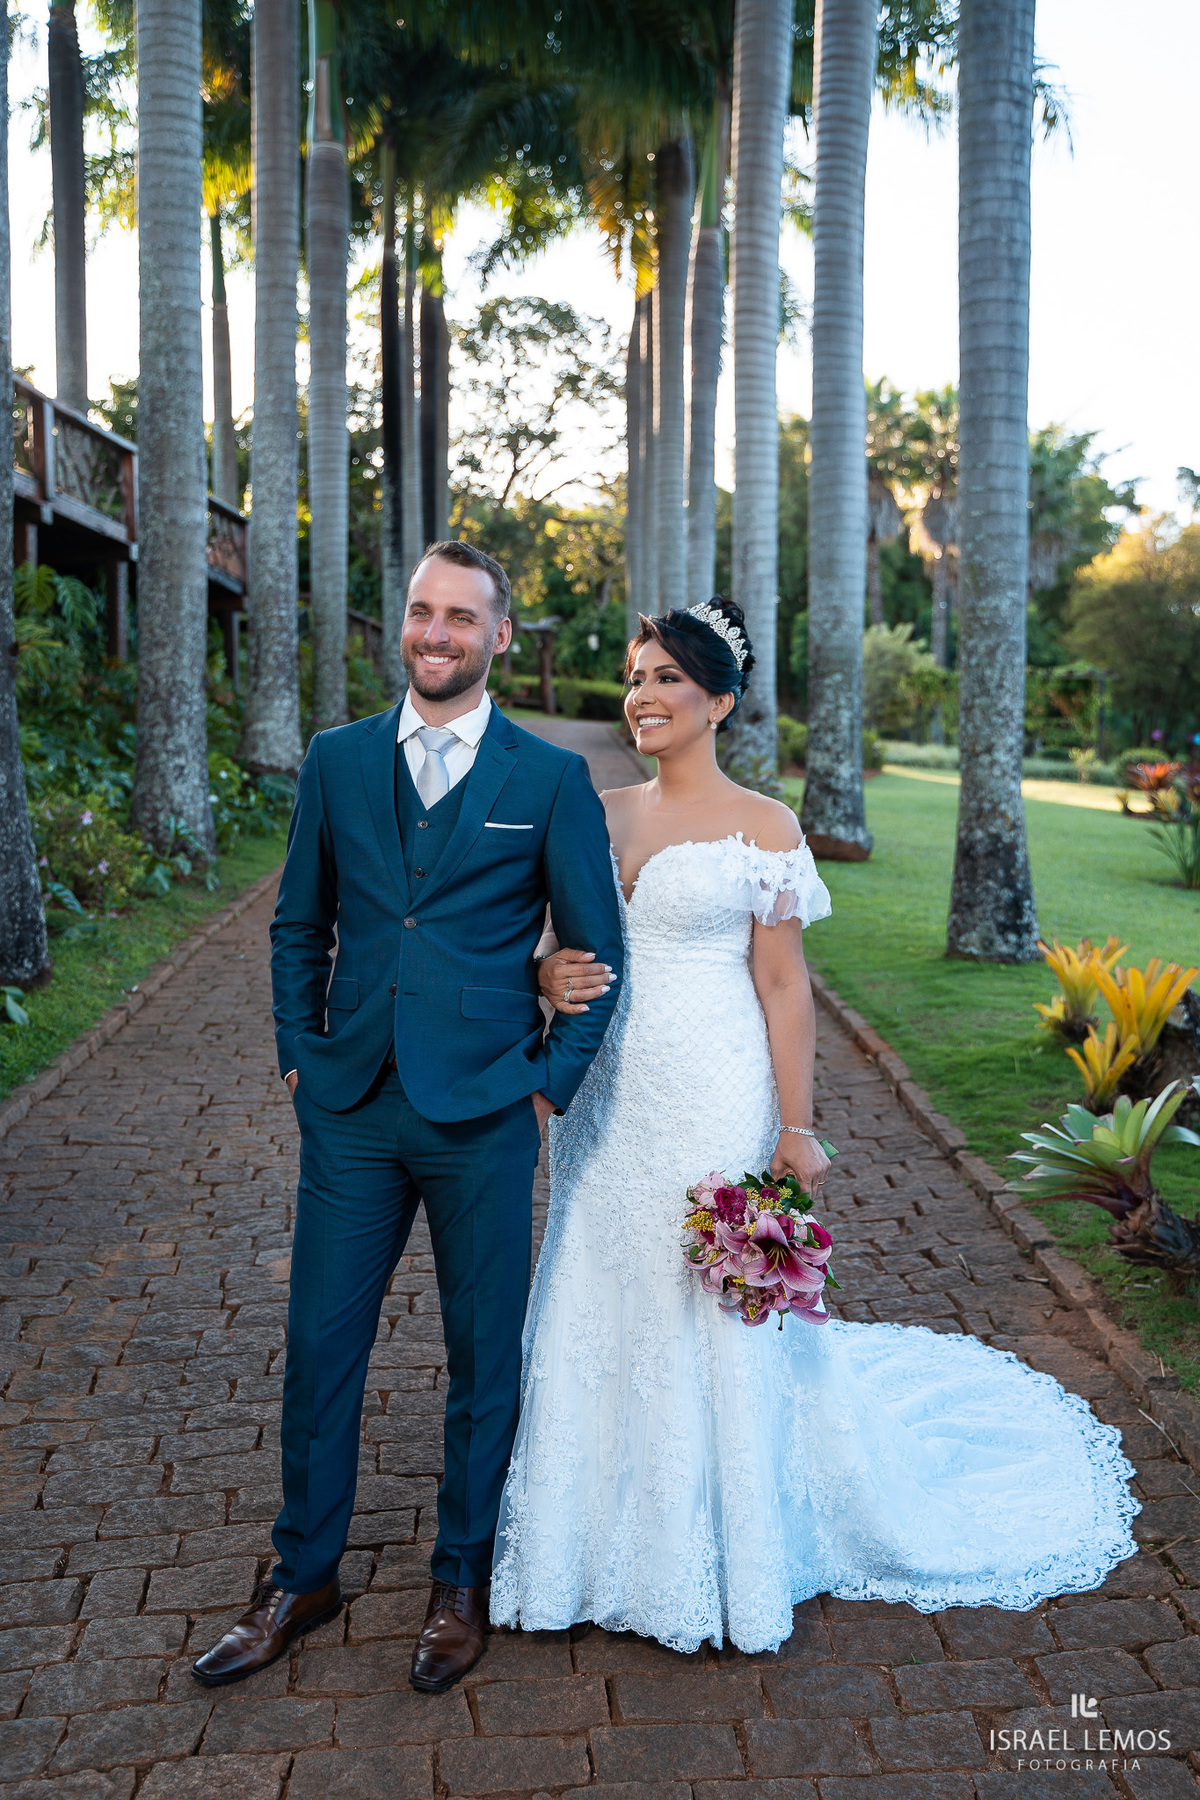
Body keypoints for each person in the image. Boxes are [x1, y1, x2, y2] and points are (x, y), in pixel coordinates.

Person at [491, 596, 1138, 1656]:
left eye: (666, 680)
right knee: (594, 1277)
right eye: (637, 675)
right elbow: (544, 944)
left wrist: (797, 1128)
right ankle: (578, 1541)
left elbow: (784, 985)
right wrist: (538, 972)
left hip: (715, 1083)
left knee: (704, 1293)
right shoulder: (597, 811)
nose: (642, 695)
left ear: (721, 703)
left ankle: (722, 1550)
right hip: (608, 1092)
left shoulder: (765, 828)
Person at [191, 541, 623, 1694]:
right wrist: (297, 1056)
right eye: (423, 614)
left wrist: (548, 1082)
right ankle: (302, 1575)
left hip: (485, 1112)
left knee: (484, 1358)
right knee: (321, 1346)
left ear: (500, 637)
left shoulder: (545, 781)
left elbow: (598, 953)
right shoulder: (336, 763)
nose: (436, 635)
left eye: (461, 619)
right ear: (406, 626)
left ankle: (461, 1580)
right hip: (349, 1108)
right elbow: (299, 923)